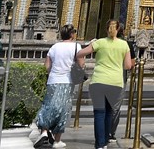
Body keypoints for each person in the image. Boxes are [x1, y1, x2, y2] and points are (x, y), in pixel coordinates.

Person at [77, 19, 134, 149]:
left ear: (106, 29)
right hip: (115, 82)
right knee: (109, 112)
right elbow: (128, 65)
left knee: (99, 113)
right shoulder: (124, 45)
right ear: (119, 29)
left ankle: (100, 144)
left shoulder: (99, 42)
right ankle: (106, 140)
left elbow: (80, 54)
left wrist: (82, 66)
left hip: (99, 81)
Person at [31, 24, 79, 149]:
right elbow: (82, 63)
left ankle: (44, 132)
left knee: (49, 105)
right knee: (63, 109)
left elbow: (47, 66)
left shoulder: (54, 47)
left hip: (53, 80)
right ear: (72, 34)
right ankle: (57, 140)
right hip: (67, 81)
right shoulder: (76, 46)